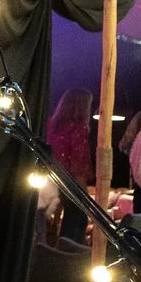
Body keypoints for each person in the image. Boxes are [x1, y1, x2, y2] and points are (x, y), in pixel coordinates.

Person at [44, 89, 96, 238]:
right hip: (68, 180)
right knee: (77, 220)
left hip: (49, 178)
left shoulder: (51, 126)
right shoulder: (78, 129)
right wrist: (84, 195)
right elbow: (79, 164)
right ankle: (69, 255)